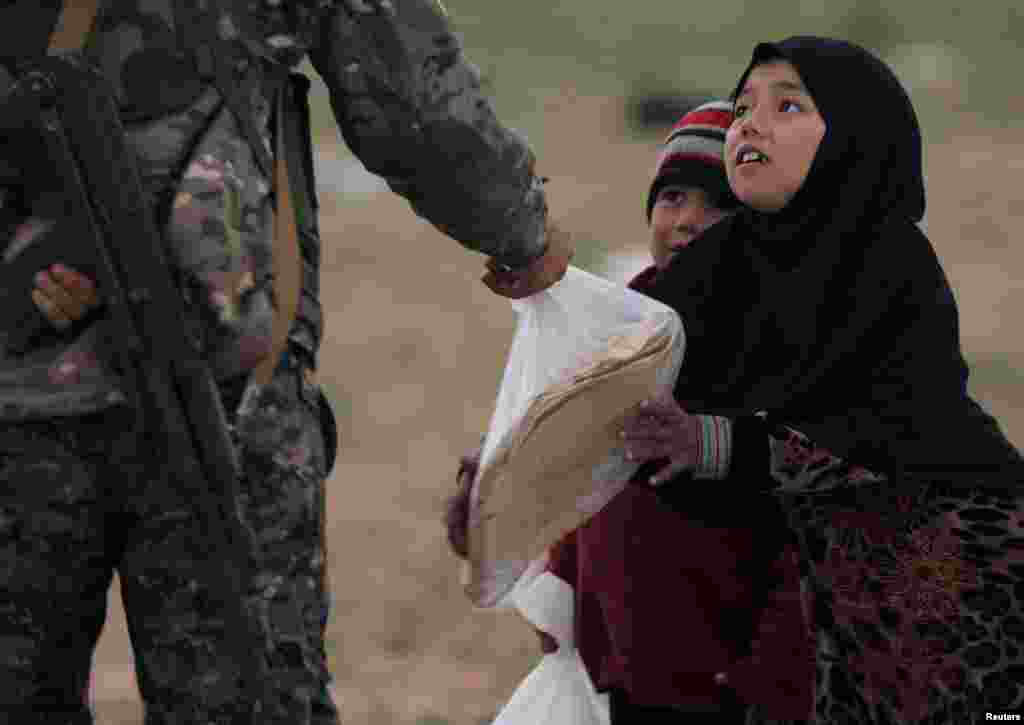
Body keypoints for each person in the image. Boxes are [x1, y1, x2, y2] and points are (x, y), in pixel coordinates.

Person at [0, 2, 570, 723]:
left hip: (44, 387)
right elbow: (410, 100)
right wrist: (520, 226)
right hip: (221, 381)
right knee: (245, 701)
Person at [622, 37, 1024, 724]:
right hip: (823, 620)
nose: (750, 122)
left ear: (854, 137)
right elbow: (625, 370)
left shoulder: (890, 265)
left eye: (788, 106)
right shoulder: (716, 268)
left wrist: (714, 442)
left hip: (964, 588)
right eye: (744, 105)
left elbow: (876, 435)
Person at [447, 102, 815, 724]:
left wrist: (772, 686)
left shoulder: (801, 349)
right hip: (621, 670)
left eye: (721, 204)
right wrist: (495, 515)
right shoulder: (625, 340)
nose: (689, 223)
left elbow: (818, 525)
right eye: (672, 198)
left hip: (746, 685)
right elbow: (580, 491)